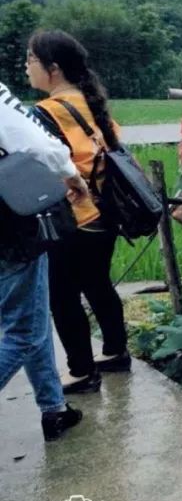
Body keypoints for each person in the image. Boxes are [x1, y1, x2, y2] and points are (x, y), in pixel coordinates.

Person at [27, 30, 131, 393]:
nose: (27, 68)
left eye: (31, 60)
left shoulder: (44, 113)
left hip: (74, 217)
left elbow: (43, 168)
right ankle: (116, 352)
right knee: (98, 283)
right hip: (109, 214)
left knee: (63, 294)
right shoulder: (93, 103)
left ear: (52, 69)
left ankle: (82, 370)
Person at [0, 78, 89, 441]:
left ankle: (54, 408)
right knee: (22, 332)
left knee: (32, 315)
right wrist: (71, 174)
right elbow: (35, 140)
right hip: (10, 225)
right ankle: (53, 408)